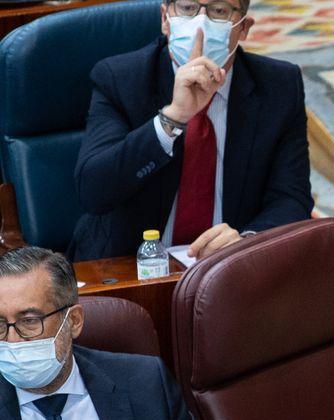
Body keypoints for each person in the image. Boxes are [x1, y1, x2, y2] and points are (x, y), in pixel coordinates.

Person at [71, 0, 313, 262]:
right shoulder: (120, 78)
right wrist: (173, 118)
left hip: (232, 270)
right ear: (165, 19)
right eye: (187, 8)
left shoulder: (279, 86)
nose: (201, 23)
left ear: (244, 28)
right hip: (130, 266)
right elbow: (93, 191)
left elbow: (292, 198)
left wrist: (247, 243)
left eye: (219, 11)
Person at [0, 246, 251, 420]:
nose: (12, 340)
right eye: (1, 324)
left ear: (74, 321)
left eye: (29, 321)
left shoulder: (144, 385)